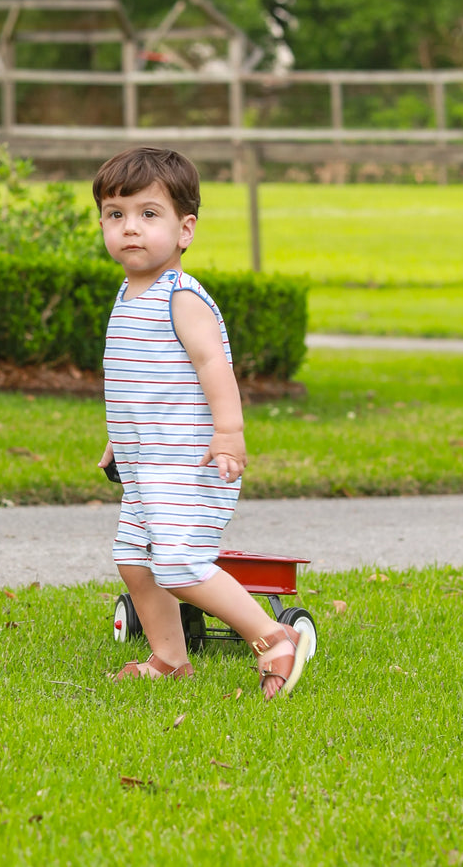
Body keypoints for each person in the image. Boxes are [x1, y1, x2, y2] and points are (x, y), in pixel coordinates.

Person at [93, 146, 310, 700]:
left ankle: (273, 637)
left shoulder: (180, 297)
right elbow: (141, 386)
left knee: (180, 566)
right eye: (116, 215)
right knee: (132, 560)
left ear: (185, 230)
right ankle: (168, 657)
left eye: (148, 214)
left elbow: (215, 365)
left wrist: (229, 433)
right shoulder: (128, 293)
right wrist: (119, 442)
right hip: (148, 461)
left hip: (190, 461)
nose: (130, 229)